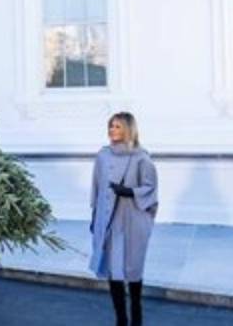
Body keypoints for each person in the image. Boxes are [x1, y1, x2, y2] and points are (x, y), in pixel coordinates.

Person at [90, 112, 158, 326]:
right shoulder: (102, 156)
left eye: (117, 126)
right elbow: (97, 188)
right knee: (113, 269)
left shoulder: (141, 158)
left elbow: (151, 188)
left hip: (132, 220)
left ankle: (137, 315)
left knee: (133, 268)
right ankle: (121, 319)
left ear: (129, 129)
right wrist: (94, 216)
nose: (112, 130)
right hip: (109, 220)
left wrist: (128, 191)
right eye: (111, 126)